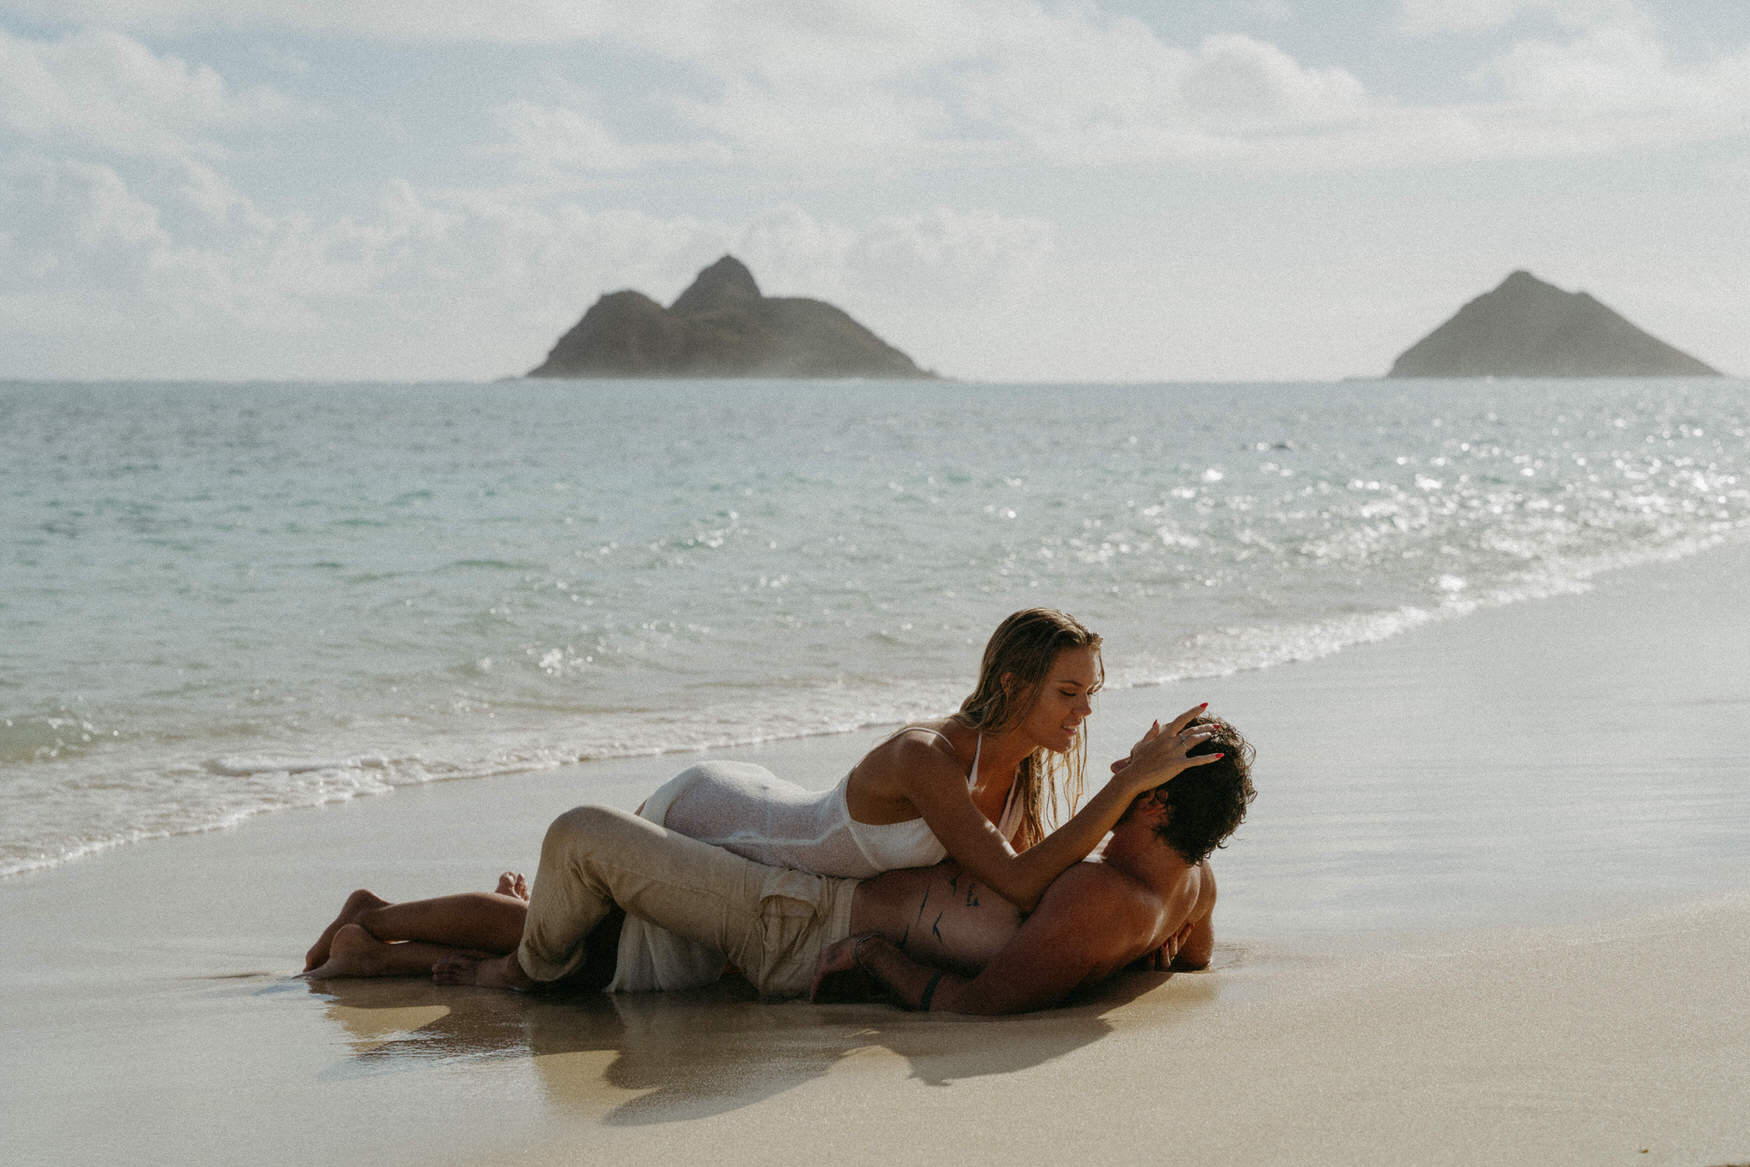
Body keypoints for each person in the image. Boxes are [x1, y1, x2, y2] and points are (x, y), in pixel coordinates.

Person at [304, 608, 1224, 980]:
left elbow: (1025, 870)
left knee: (593, 937)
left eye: (1091, 696)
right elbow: (1020, 881)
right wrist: (1130, 787)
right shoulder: (926, 758)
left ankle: (377, 918)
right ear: (1018, 685)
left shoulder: (1017, 768)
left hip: (786, 865)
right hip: (726, 820)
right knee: (581, 936)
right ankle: (381, 927)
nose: (1083, 713)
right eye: (1070, 693)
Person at [313, 718, 1255, 1015]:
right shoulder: (1189, 882)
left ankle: (395, 938)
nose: (1127, 759)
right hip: (802, 896)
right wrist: (1145, 958)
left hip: (804, 927)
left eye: (1147, 762)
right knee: (598, 941)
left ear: (1163, 802)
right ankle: (379, 938)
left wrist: (885, 966)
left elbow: (982, 1003)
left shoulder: (1100, 890)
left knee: (585, 900)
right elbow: (1195, 956)